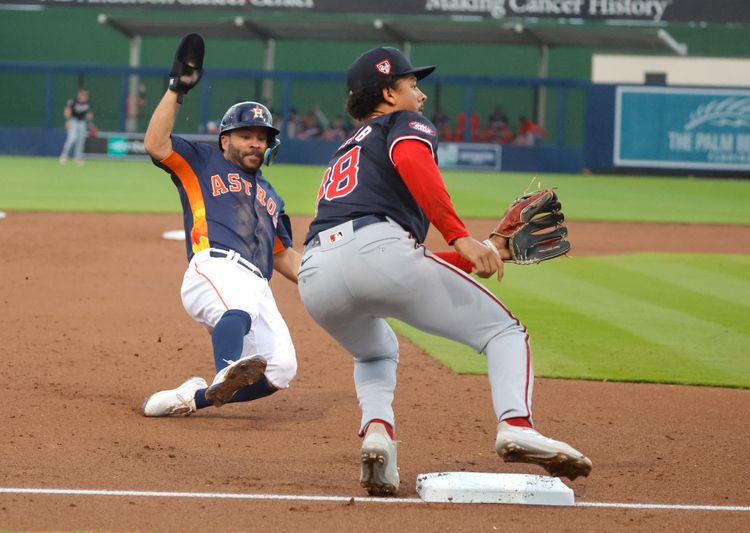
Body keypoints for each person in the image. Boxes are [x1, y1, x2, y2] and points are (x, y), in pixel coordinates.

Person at [297, 47, 592, 496]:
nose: (421, 94)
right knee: (505, 334)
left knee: (375, 352)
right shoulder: (402, 123)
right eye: (411, 84)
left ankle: (378, 433)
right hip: (379, 251)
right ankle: (516, 425)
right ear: (387, 92)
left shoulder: (347, 148)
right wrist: (460, 237)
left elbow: (393, 262)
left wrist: (485, 251)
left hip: (316, 273)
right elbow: (413, 174)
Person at [140, 33, 300, 417]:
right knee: (239, 308)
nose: (255, 144)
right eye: (246, 135)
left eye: (262, 138)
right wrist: (177, 89)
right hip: (214, 266)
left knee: (282, 368)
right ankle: (226, 368)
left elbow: (284, 258)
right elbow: (156, 144)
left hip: (259, 285)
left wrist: (335, 282)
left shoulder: (271, 196)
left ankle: (191, 399)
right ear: (225, 138)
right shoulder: (202, 162)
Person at [59, 88, 93, 165]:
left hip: (82, 122)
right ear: (79, 94)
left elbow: (88, 114)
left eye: (85, 95)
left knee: (81, 140)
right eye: (83, 94)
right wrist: (67, 121)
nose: (85, 96)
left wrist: (90, 123)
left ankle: (77, 158)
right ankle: (64, 156)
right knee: (72, 138)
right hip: (73, 121)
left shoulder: (87, 102)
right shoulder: (73, 101)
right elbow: (67, 110)